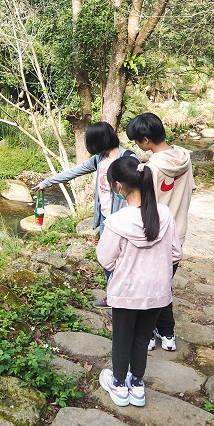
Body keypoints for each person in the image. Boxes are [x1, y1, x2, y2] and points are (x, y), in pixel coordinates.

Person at [97, 156, 182, 407]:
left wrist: (121, 269)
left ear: (119, 187)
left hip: (126, 292)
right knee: (142, 338)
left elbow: (105, 258)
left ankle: (120, 385)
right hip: (157, 293)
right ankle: (137, 384)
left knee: (122, 338)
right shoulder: (164, 214)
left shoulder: (116, 222)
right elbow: (176, 254)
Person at [33, 122, 136, 307]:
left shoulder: (128, 159)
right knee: (107, 259)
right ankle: (114, 297)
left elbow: (139, 191)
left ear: (100, 141)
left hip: (124, 220)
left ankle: (125, 301)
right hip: (106, 219)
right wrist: (48, 182)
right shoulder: (99, 159)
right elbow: (74, 171)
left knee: (125, 262)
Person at [126, 112, 195, 352]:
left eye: (137, 142)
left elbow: (142, 206)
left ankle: (152, 335)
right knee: (163, 284)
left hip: (154, 235)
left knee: (151, 287)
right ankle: (166, 335)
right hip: (178, 233)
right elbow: (190, 191)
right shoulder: (185, 159)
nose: (138, 146)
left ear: (145, 140)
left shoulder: (149, 169)